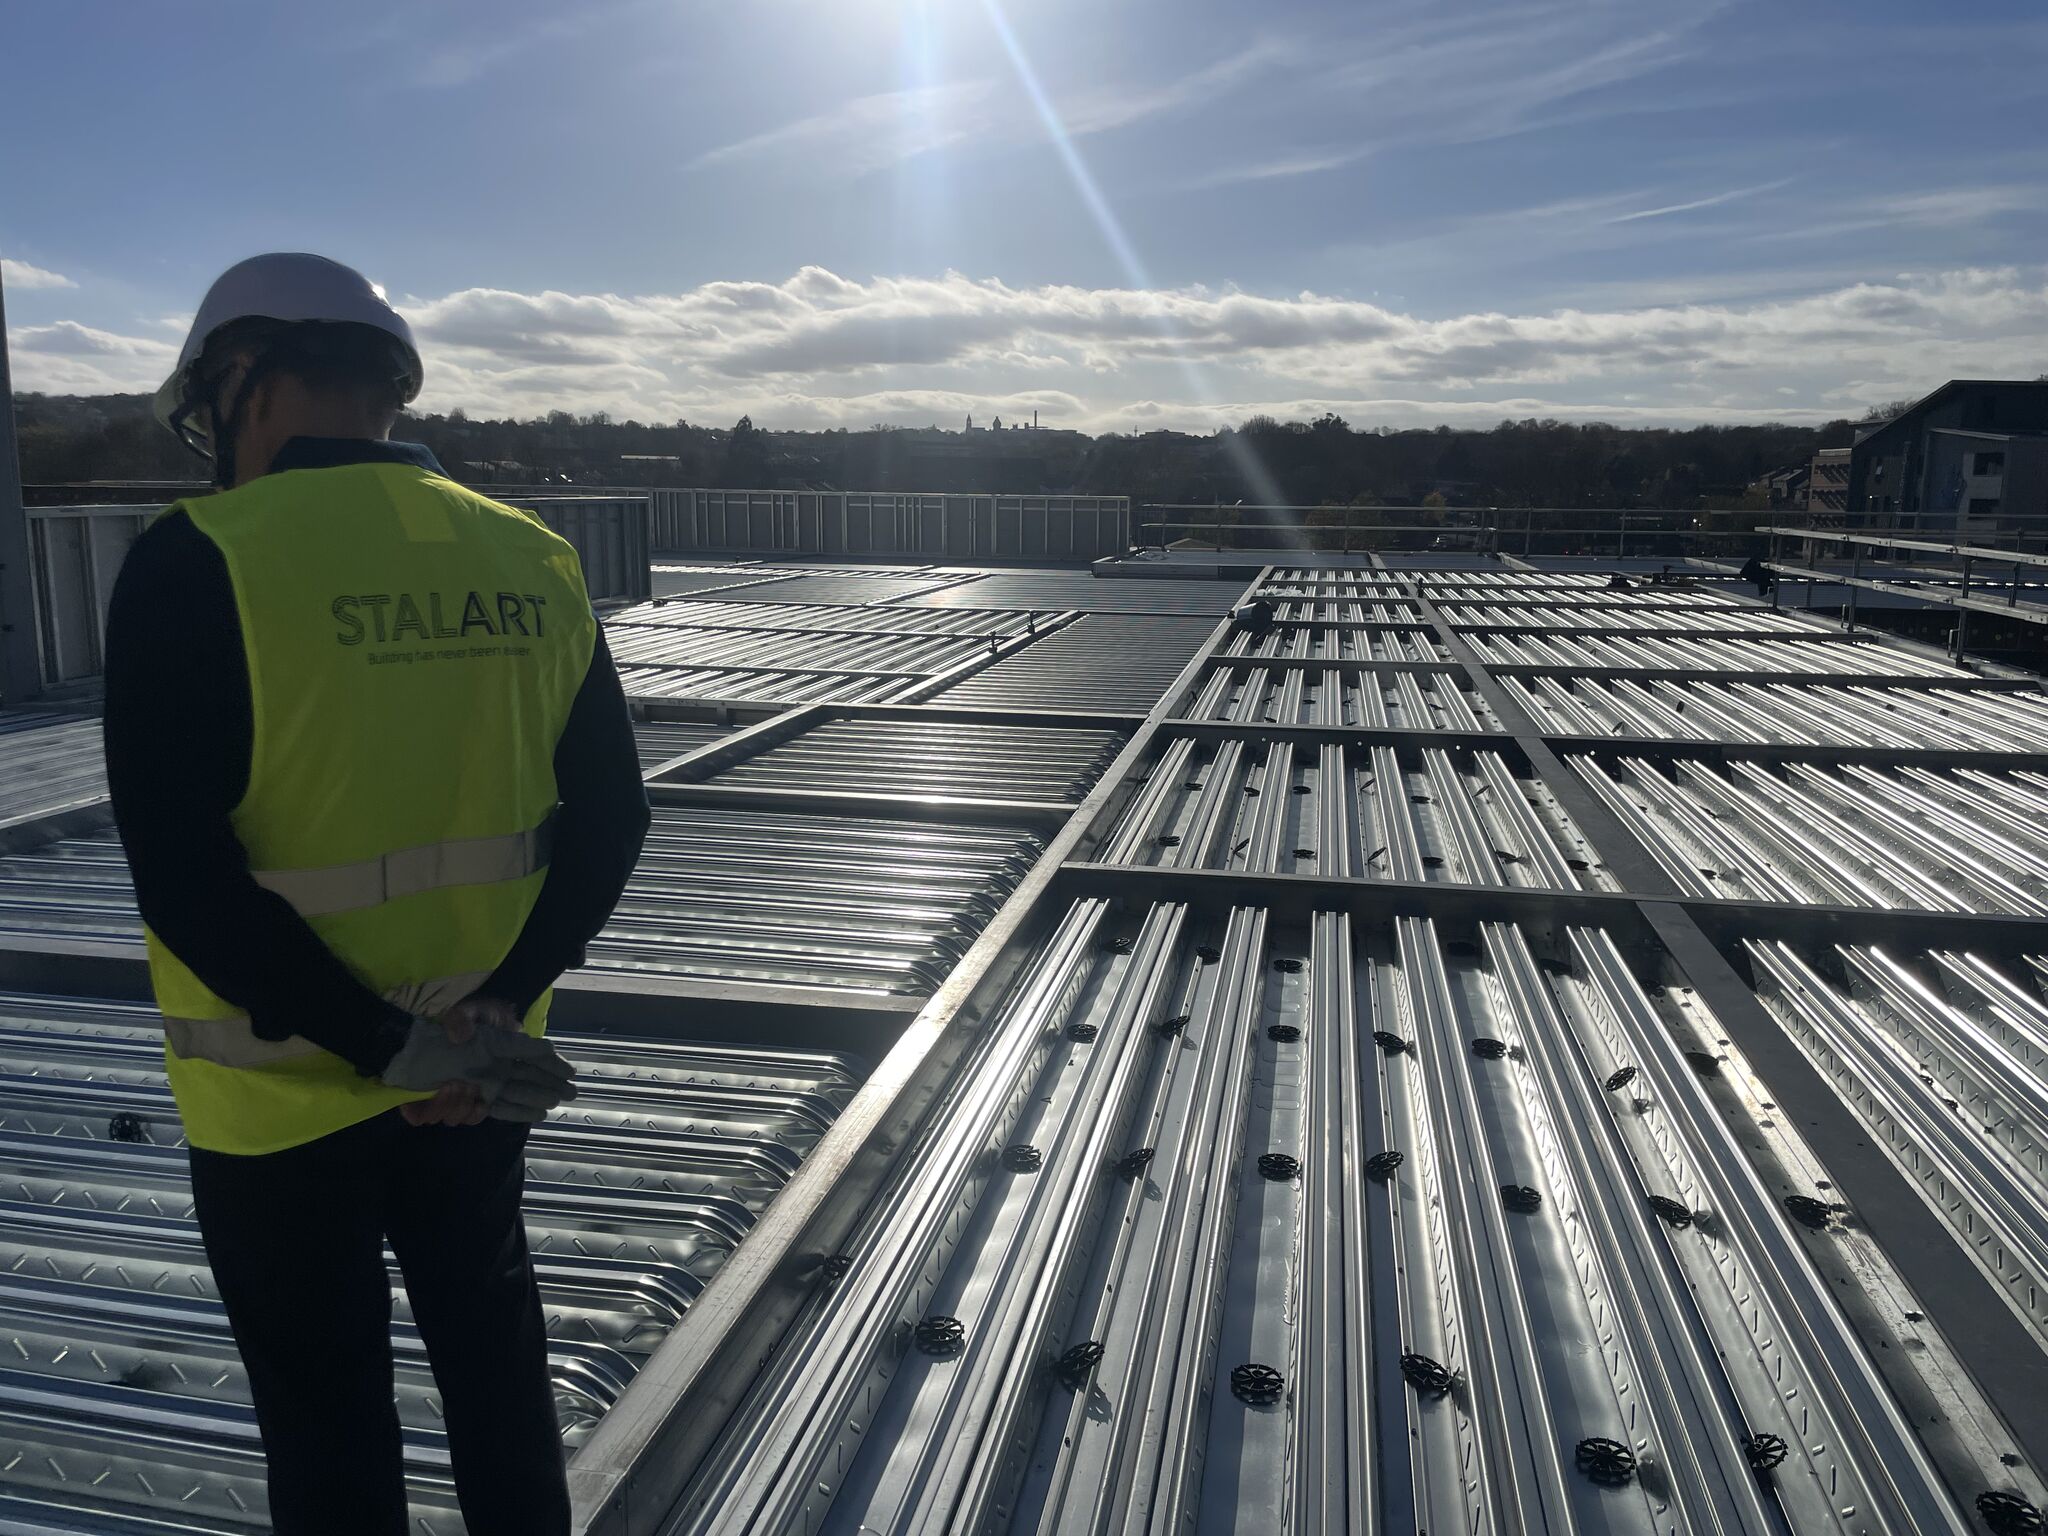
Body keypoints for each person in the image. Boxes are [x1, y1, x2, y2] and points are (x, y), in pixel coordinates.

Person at [101, 253, 651, 1534]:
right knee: (494, 1365)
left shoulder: (200, 556)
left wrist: (378, 1042)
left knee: (327, 1417)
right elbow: (611, 821)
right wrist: (494, 1006)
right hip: (480, 1070)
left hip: (278, 1098)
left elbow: (182, 870)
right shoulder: (533, 555)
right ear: (388, 387)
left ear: (246, 377)